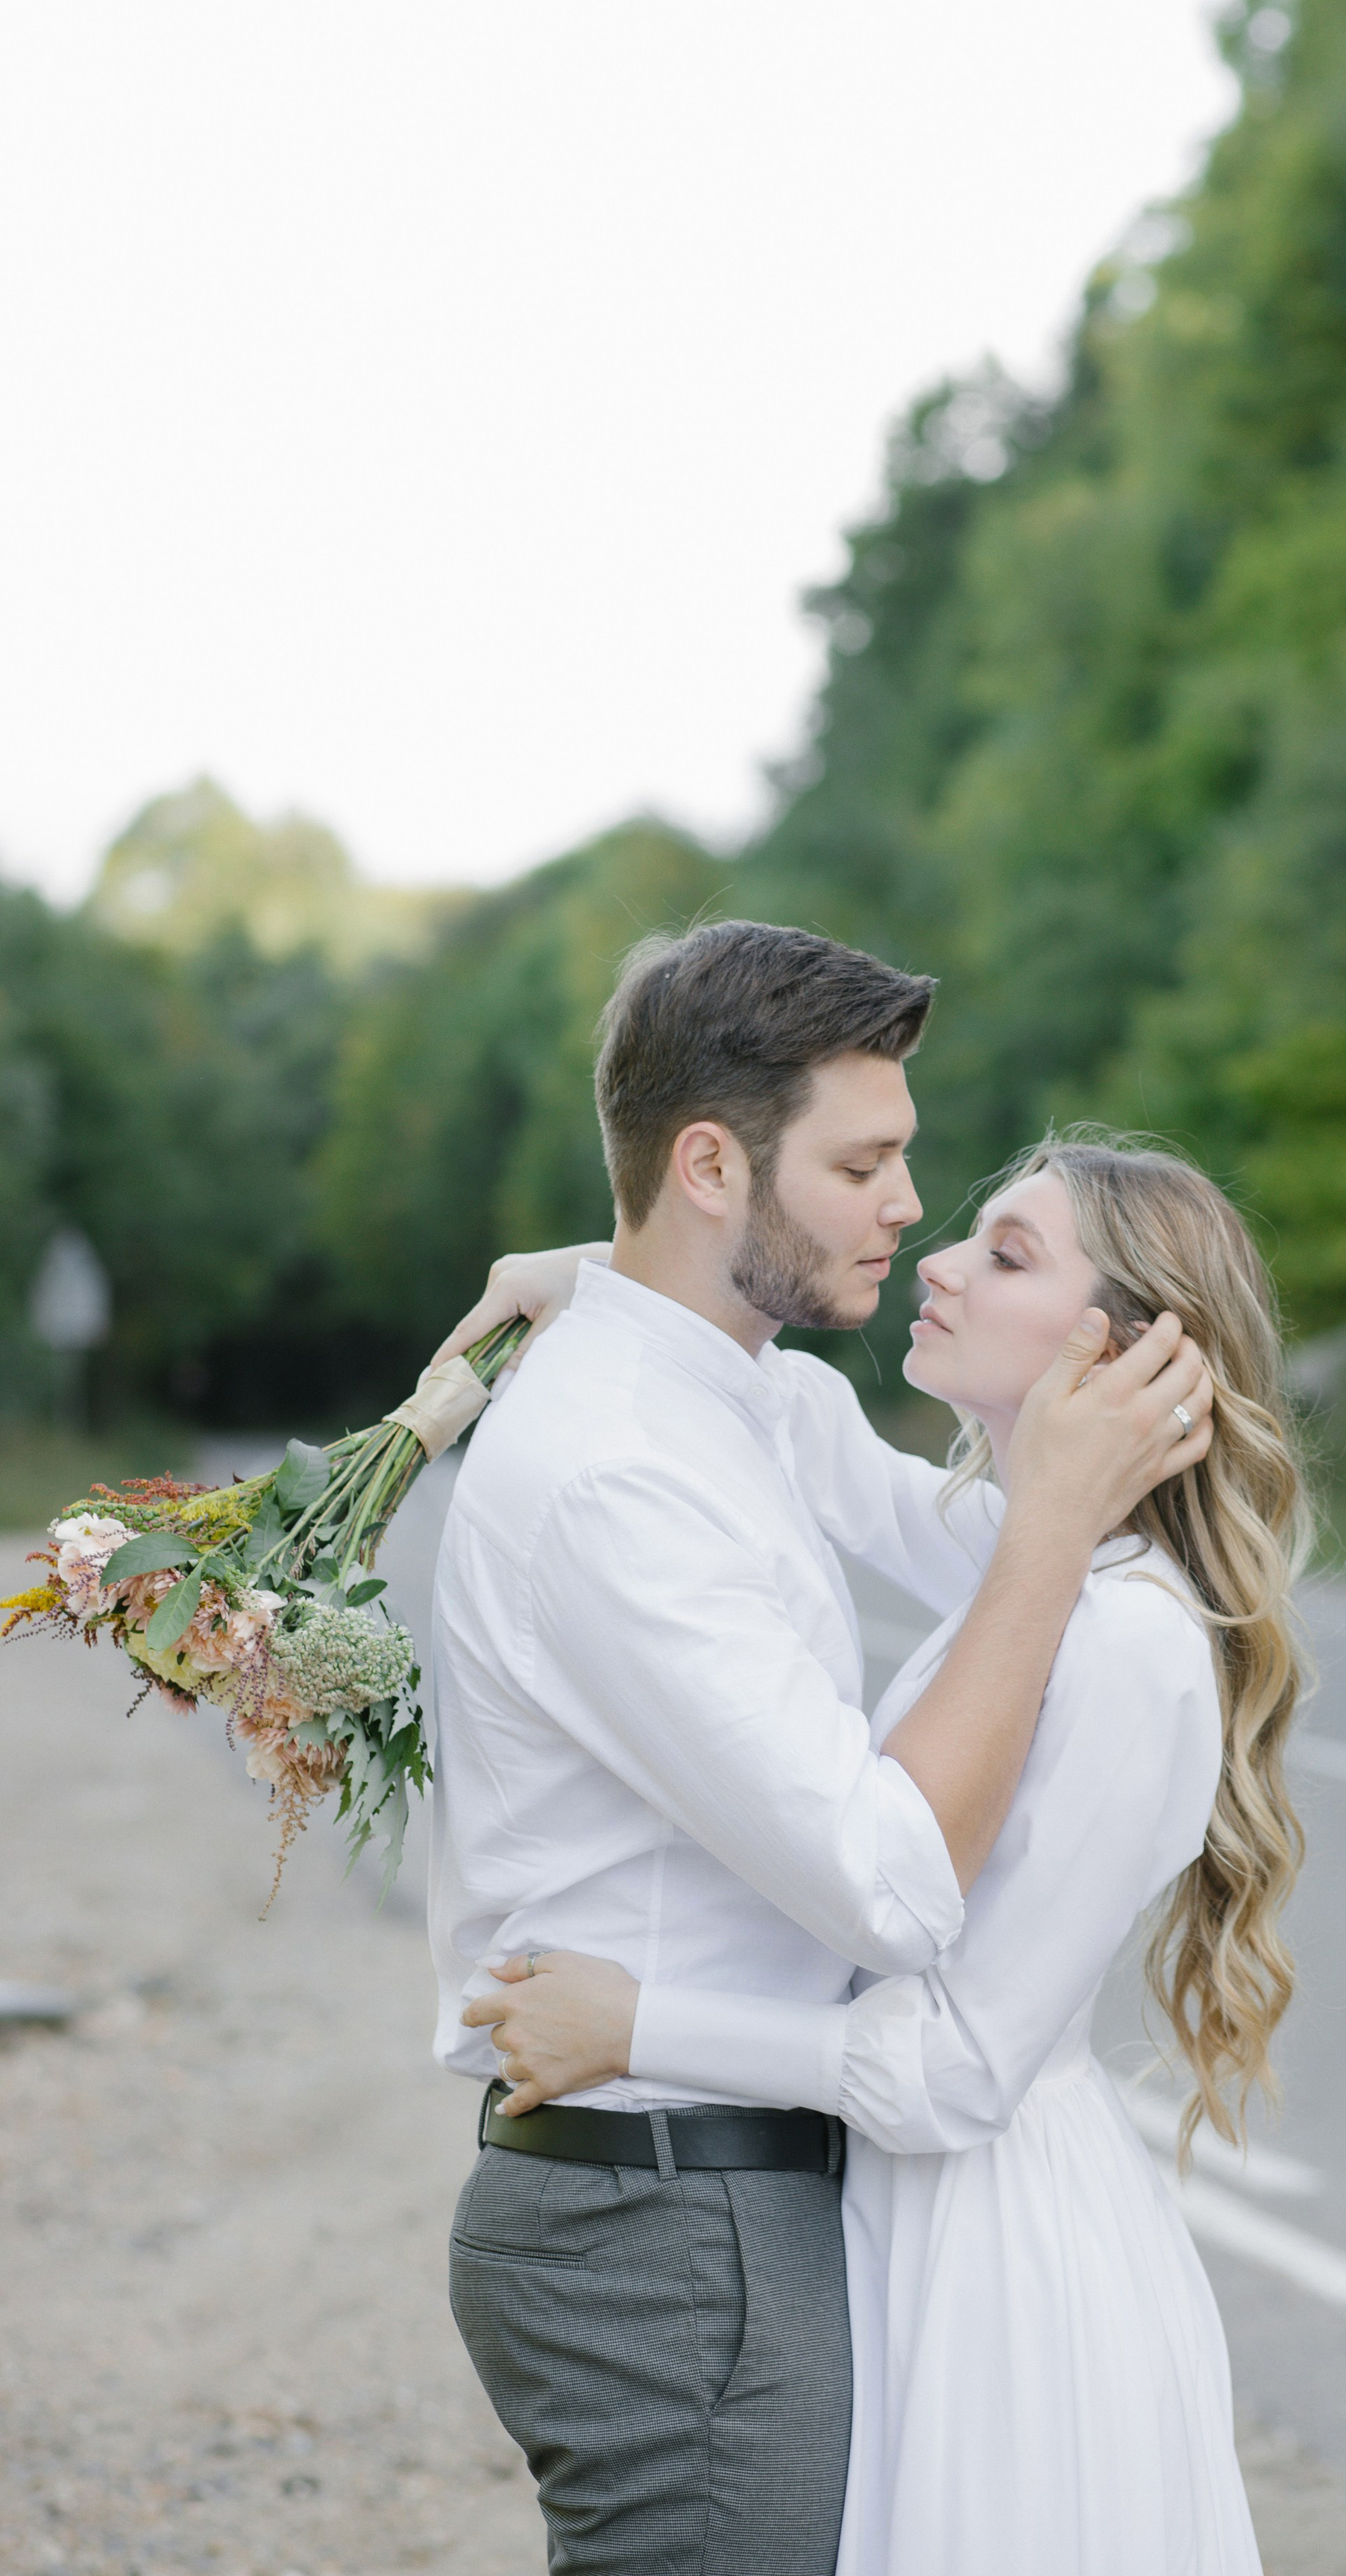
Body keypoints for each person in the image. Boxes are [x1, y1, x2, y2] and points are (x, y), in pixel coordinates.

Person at [425, 924, 1212, 2576]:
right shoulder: (624, 1470)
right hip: (667, 2208)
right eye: (865, 1163)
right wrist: (1055, 1516)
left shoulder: (756, 1409)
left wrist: (593, 1271)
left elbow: (957, 1542)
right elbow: (891, 1882)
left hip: (785, 2197)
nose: (910, 1215)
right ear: (715, 1163)